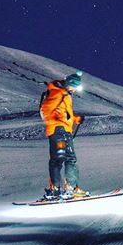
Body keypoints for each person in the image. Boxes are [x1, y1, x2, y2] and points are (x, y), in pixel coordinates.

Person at [39, 71, 89, 199]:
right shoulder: (59, 93)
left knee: (63, 159)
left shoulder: (64, 93)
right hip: (59, 131)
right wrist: (58, 123)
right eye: (74, 87)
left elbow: (64, 114)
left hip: (61, 130)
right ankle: (65, 188)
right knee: (64, 158)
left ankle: (62, 188)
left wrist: (76, 119)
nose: (75, 90)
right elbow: (46, 110)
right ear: (70, 84)